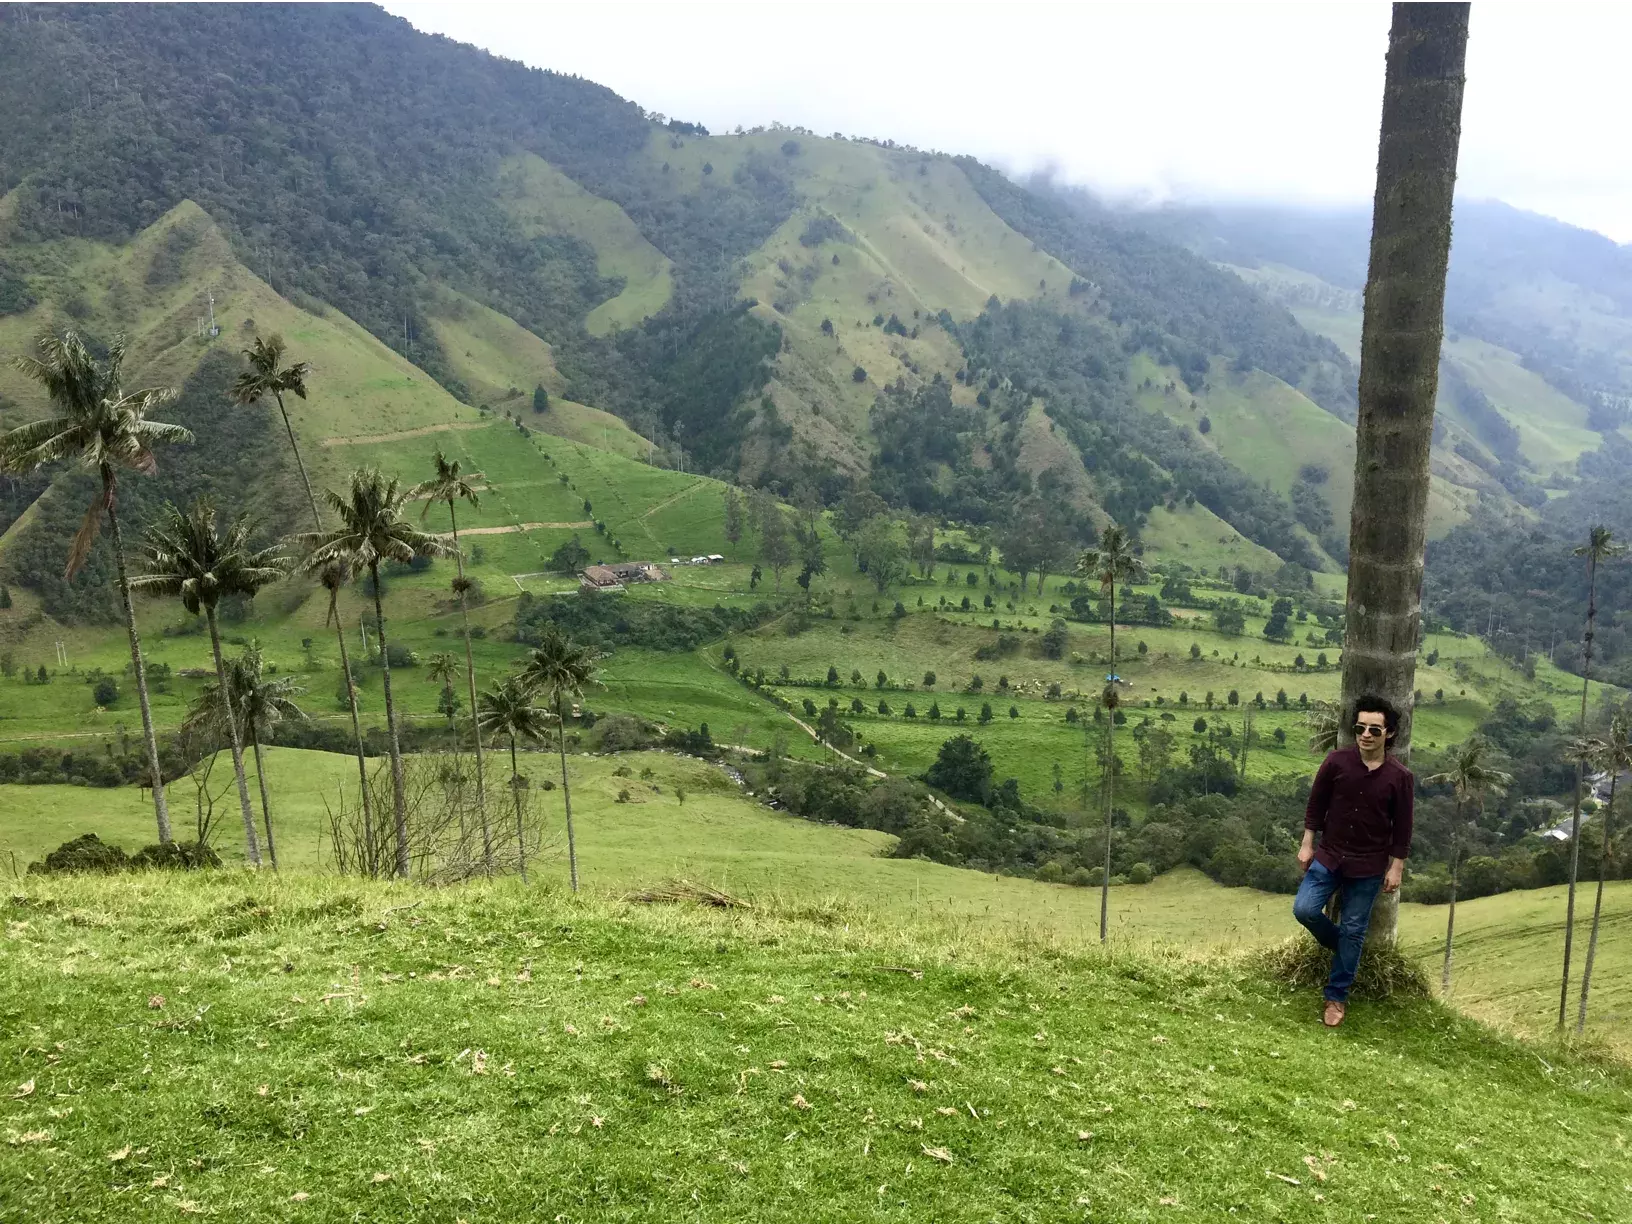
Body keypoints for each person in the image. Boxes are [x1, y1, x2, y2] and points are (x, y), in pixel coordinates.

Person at [1293, 694, 1414, 1027]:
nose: (1366, 735)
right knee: (1304, 910)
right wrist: (1307, 844)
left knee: (1354, 929)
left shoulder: (1399, 777)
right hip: (1330, 855)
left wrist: (1396, 866)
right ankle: (1344, 950)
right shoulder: (1336, 762)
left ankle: (1336, 997)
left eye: (1375, 730)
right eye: (1360, 728)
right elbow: (1315, 805)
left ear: (1389, 733)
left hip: (1369, 866)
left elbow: (1403, 827)